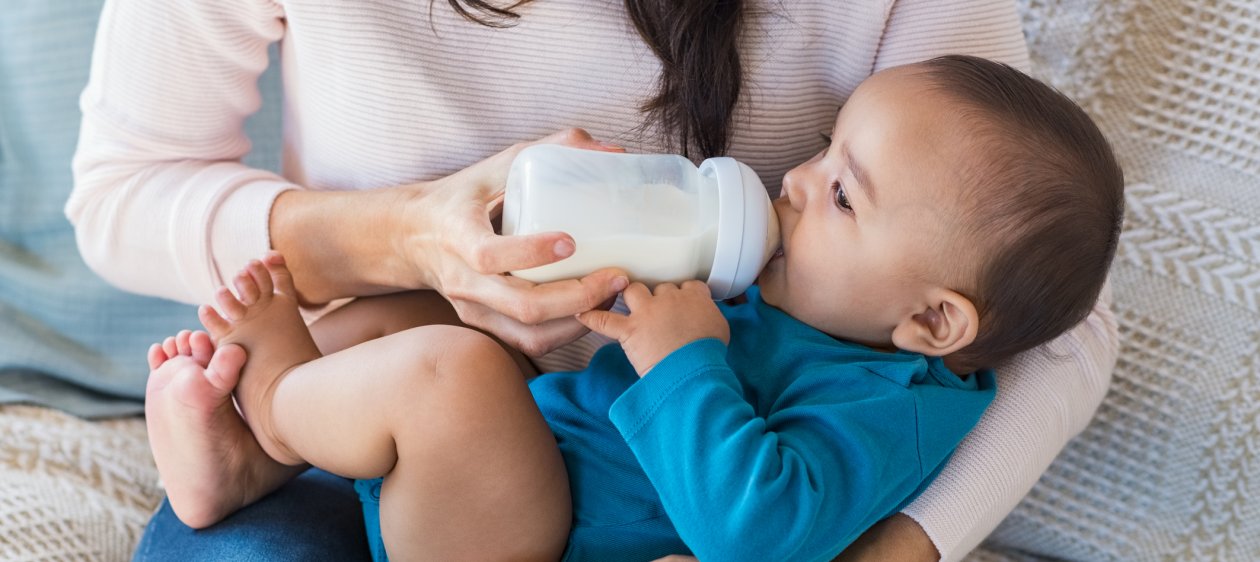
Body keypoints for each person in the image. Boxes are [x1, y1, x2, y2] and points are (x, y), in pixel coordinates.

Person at [68, 1, 1120, 560]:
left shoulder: (870, 353)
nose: (793, 180)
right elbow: (122, 192)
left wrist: (891, 556)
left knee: (447, 376)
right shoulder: (803, 311)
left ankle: (274, 409)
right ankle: (257, 448)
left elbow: (1049, 317)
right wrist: (406, 234)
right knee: (406, 320)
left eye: (841, 185)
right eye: (824, 150)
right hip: (475, 435)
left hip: (514, 496)